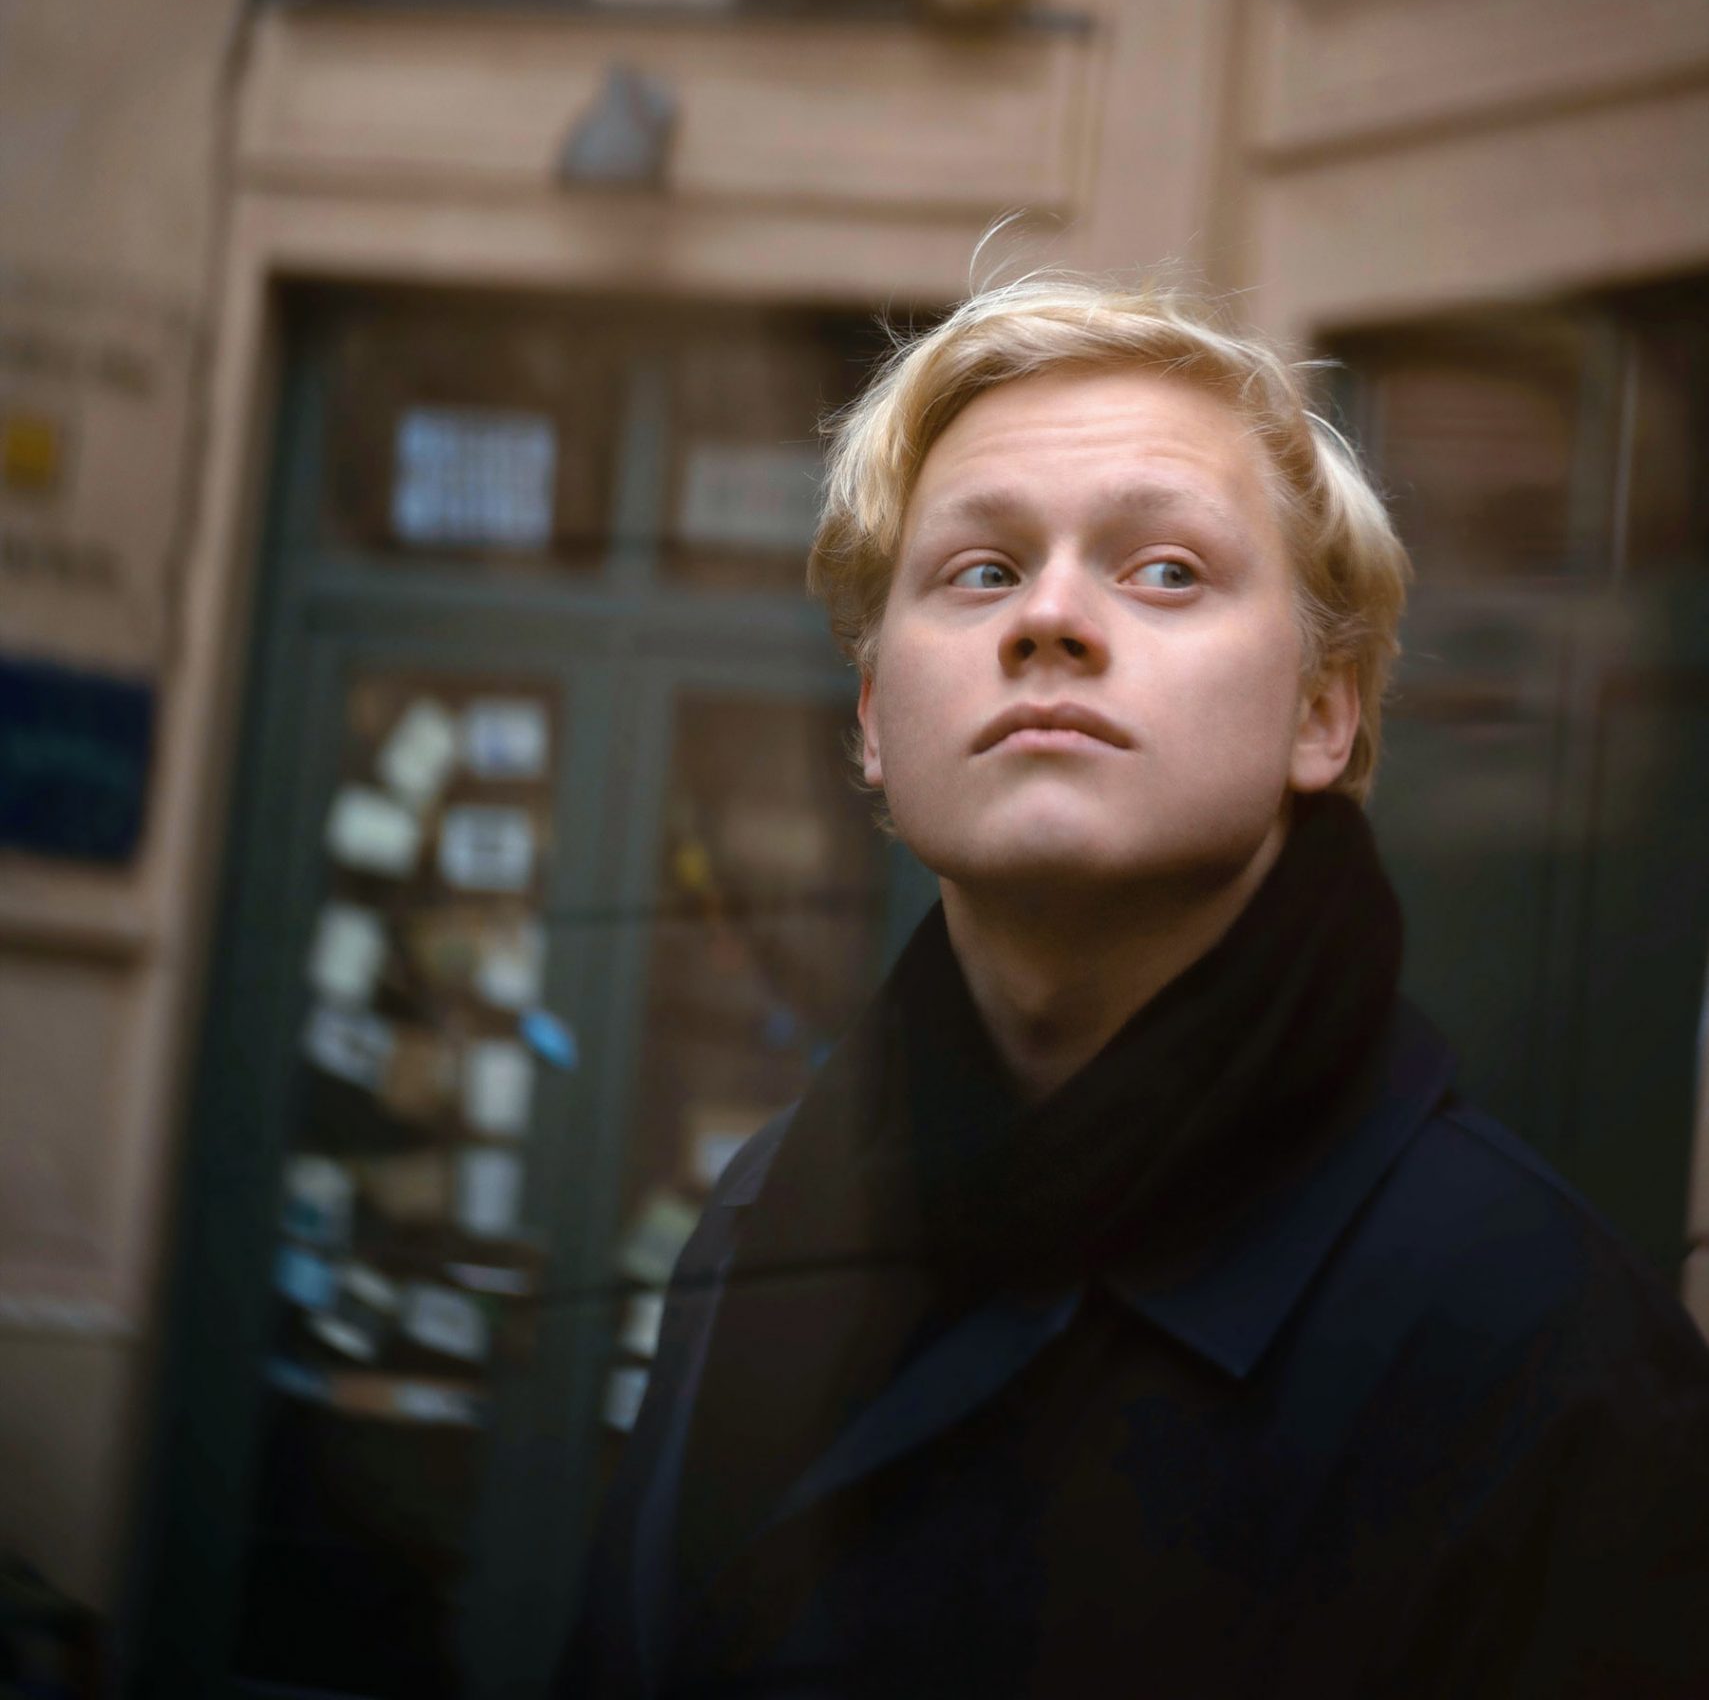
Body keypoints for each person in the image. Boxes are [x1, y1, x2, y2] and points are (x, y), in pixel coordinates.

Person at [564, 275, 1709, 1698]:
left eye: (1164, 571)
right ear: (872, 721)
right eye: (979, 572)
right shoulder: (754, 1231)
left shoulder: (1555, 1355)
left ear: (1321, 712)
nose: (1048, 617)